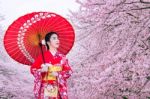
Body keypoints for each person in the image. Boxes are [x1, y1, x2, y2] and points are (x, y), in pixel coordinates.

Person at [30, 32, 73, 99]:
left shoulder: (62, 57)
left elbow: (69, 72)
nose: (57, 40)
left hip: (59, 88)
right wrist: (41, 70)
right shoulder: (42, 57)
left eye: (58, 38)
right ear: (48, 42)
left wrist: (58, 74)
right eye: (54, 38)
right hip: (46, 88)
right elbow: (33, 69)